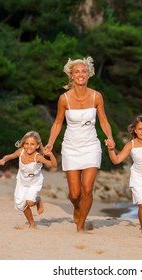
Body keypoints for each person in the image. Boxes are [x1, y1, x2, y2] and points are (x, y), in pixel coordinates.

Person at [44, 57, 115, 232]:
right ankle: (77, 209)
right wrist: (50, 143)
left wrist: (110, 137)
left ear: (89, 74)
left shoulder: (96, 96)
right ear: (71, 76)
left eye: (84, 71)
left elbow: (104, 121)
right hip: (71, 147)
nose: (80, 74)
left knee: (87, 189)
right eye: (77, 71)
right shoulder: (64, 99)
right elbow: (58, 123)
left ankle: (81, 226)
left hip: (91, 146)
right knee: (75, 194)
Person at [0, 131, 57, 228]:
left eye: (32, 144)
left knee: (30, 202)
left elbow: (53, 165)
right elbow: (9, 156)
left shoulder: (37, 157)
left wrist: (50, 155)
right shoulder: (20, 152)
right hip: (22, 181)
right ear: (23, 144)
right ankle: (32, 224)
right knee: (20, 205)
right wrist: (3, 160)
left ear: (37, 145)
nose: (29, 146)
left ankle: (38, 200)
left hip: (34, 182)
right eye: (27, 143)